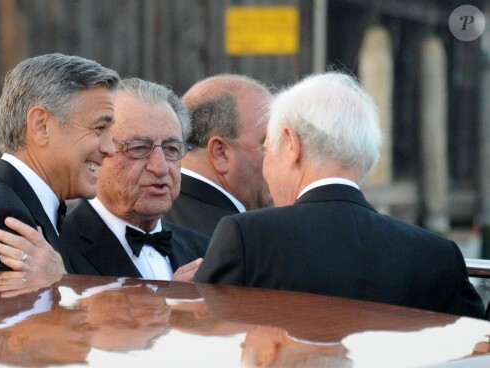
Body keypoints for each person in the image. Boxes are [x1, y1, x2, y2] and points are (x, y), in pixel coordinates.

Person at [194, 72, 485, 319]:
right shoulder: (437, 255)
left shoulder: (247, 238)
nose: (267, 170)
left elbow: (208, 345)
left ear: (292, 146)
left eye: (268, 150)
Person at [0, 53, 119, 273]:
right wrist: (61, 285)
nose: (109, 148)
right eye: (99, 128)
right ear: (41, 126)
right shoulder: (5, 220)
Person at [60, 78, 209, 280]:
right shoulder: (58, 250)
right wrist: (171, 306)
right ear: (98, 152)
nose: (161, 167)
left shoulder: (205, 252)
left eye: (171, 149)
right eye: (138, 148)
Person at [163, 74, 273, 236]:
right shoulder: (237, 237)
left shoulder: (150, 213)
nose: (280, 157)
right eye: (267, 145)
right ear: (220, 153)